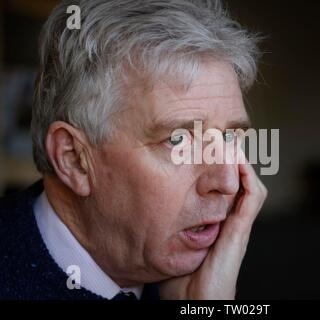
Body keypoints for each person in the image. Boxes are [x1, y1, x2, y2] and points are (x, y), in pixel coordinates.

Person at [0, 0, 267, 300]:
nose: (229, 182)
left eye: (230, 137)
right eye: (179, 141)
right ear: (74, 159)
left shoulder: (214, 278)